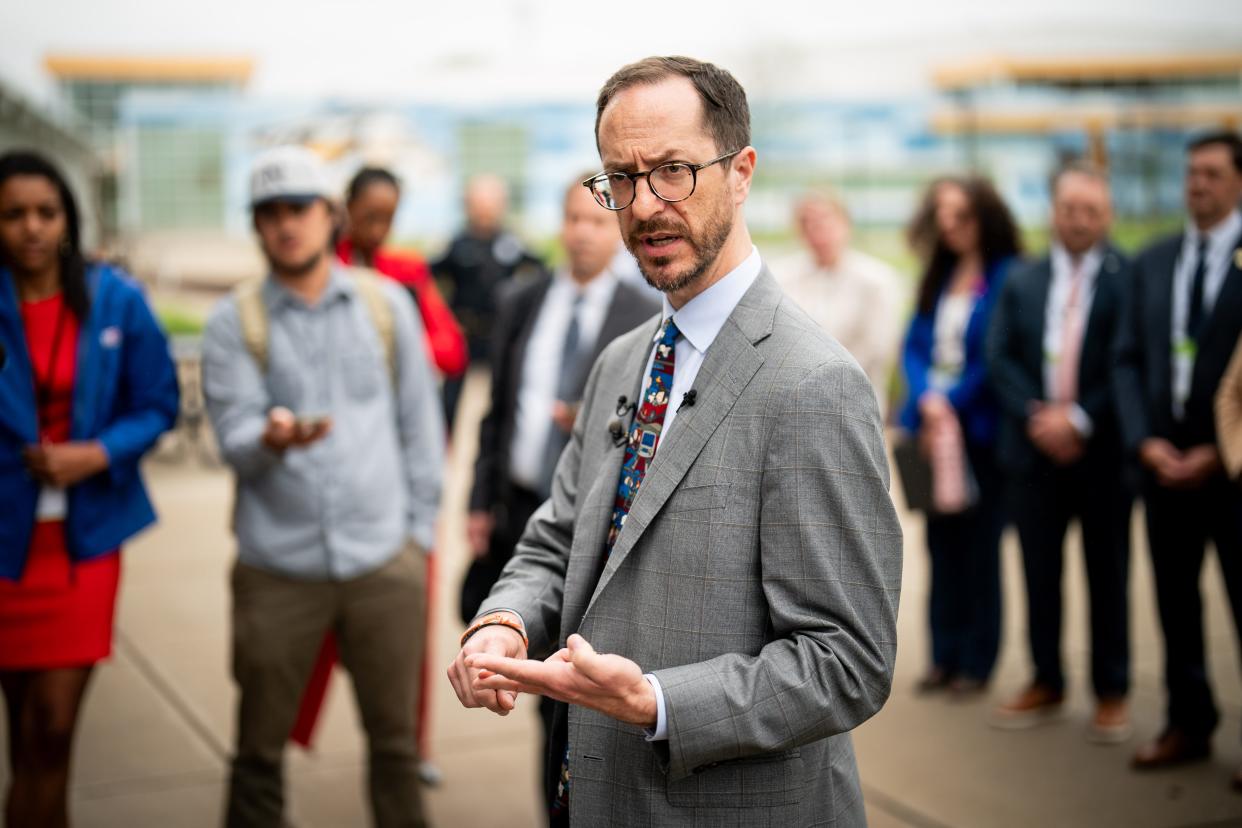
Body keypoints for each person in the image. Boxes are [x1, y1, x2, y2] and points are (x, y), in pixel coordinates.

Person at [447, 56, 902, 826]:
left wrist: (656, 702)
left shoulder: (813, 384)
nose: (645, 204)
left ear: (742, 171)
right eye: (620, 178)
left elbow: (848, 662)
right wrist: (507, 619)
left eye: (674, 172)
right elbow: (558, 539)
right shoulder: (623, 360)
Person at [202, 145, 444, 827]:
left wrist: (416, 539)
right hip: (277, 568)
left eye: (299, 208)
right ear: (255, 224)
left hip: (381, 561)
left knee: (397, 746)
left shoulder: (386, 304)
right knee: (257, 752)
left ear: (330, 215)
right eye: (269, 212)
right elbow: (234, 445)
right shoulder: (234, 321)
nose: (286, 225)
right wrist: (268, 439)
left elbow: (420, 431)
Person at [0, 150, 178, 827]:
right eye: (13, 214)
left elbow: (158, 404)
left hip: (83, 545)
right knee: (21, 734)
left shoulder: (115, 299)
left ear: (68, 220)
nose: (32, 229)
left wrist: (98, 453)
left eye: (46, 212)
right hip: (6, 542)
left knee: (54, 728)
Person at [464, 176, 659, 623]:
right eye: (574, 218)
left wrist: (592, 421)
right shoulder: (520, 301)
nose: (583, 232)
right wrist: (478, 503)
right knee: (510, 633)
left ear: (621, 230)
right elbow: (496, 412)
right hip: (518, 502)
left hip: (592, 513)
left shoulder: (644, 315)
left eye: (597, 220)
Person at [986, 163, 1133, 741]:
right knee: (1038, 573)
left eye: (1091, 211)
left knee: (1108, 575)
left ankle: (1112, 690)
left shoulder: (1129, 277)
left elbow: (1130, 358)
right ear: (1054, 211)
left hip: (1102, 455)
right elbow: (1001, 356)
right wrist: (1038, 416)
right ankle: (1047, 679)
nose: (1079, 220)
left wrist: (1080, 418)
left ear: (1107, 215)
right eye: (1070, 208)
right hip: (1032, 452)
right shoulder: (1024, 277)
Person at [1113, 130, 1242, 785]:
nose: (1197, 184)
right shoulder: (1154, 259)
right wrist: (1144, 440)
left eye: (1213, 173)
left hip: (1233, 471)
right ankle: (1188, 724)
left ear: (1238, 181)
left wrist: (1221, 454)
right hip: (1163, 470)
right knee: (1174, 605)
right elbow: (1128, 357)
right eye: (1191, 173)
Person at [899, 174, 1020, 697]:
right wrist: (927, 398)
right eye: (944, 216)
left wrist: (950, 403)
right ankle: (943, 655)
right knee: (940, 545)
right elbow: (914, 346)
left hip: (978, 433)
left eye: (962, 215)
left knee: (980, 549)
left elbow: (996, 355)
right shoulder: (938, 274)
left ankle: (977, 661)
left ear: (985, 217)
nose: (952, 227)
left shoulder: (1008, 275)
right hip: (930, 431)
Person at [432, 174, 546, 429]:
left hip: (500, 337)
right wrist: (444, 322)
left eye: (491, 203)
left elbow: (540, 276)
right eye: (479, 203)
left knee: (502, 400)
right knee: (449, 406)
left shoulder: (512, 243)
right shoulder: (456, 244)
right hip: (464, 338)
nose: (485, 210)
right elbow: (429, 281)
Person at [776, 190, 906, 408]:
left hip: (856, 401)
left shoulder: (877, 281)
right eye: (809, 224)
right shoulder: (781, 277)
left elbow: (877, 350)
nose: (818, 232)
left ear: (846, 224)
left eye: (826, 221)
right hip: (795, 403)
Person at [337, 166, 468, 379]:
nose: (377, 230)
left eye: (387, 219)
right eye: (369, 217)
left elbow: (452, 352)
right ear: (347, 208)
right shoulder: (328, 269)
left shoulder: (406, 272)